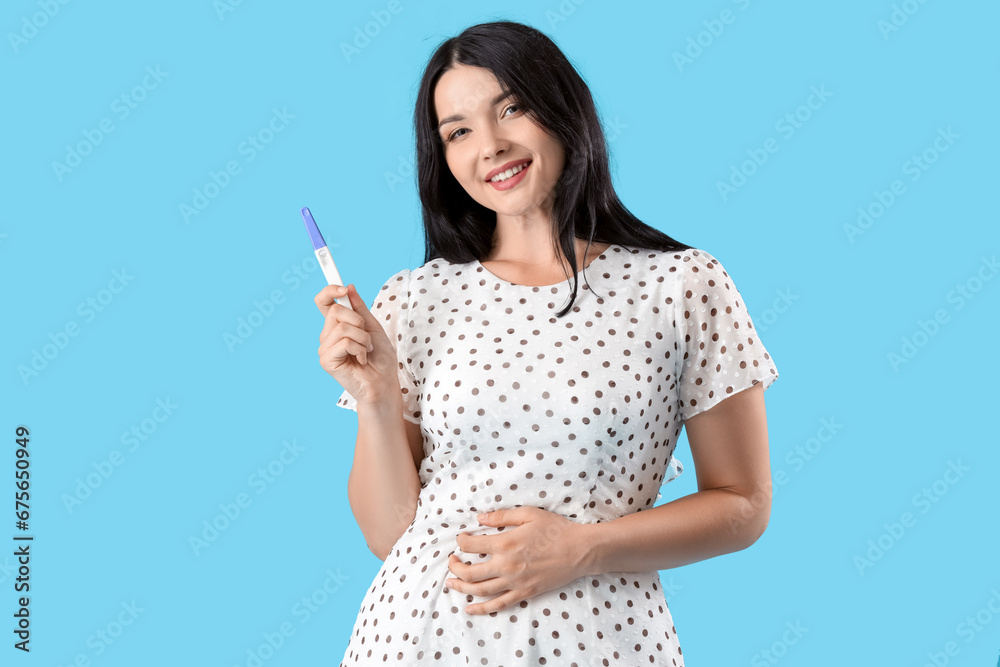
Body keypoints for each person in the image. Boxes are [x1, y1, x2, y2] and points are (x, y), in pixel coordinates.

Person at [315, 20, 779, 666]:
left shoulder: (681, 286)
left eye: (512, 107)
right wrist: (376, 400)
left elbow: (744, 504)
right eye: (459, 132)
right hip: (417, 638)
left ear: (563, 107)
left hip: (602, 640)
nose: (492, 146)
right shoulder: (415, 299)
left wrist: (581, 546)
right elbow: (390, 531)